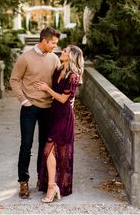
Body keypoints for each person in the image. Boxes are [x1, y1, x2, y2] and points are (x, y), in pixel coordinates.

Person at [10, 27, 61, 199]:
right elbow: (14, 80)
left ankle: (42, 179)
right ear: (44, 41)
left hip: (48, 108)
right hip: (29, 108)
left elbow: (60, 82)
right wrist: (24, 101)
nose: (55, 46)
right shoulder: (25, 58)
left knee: (44, 147)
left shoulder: (54, 59)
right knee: (26, 145)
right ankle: (23, 182)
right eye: (53, 43)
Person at [34, 45, 84, 203]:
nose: (61, 52)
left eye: (65, 51)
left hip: (64, 117)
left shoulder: (73, 76)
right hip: (54, 113)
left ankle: (52, 187)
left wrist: (47, 89)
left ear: (71, 56)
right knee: (52, 151)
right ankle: (52, 185)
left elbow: (63, 99)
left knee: (49, 149)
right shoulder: (59, 69)